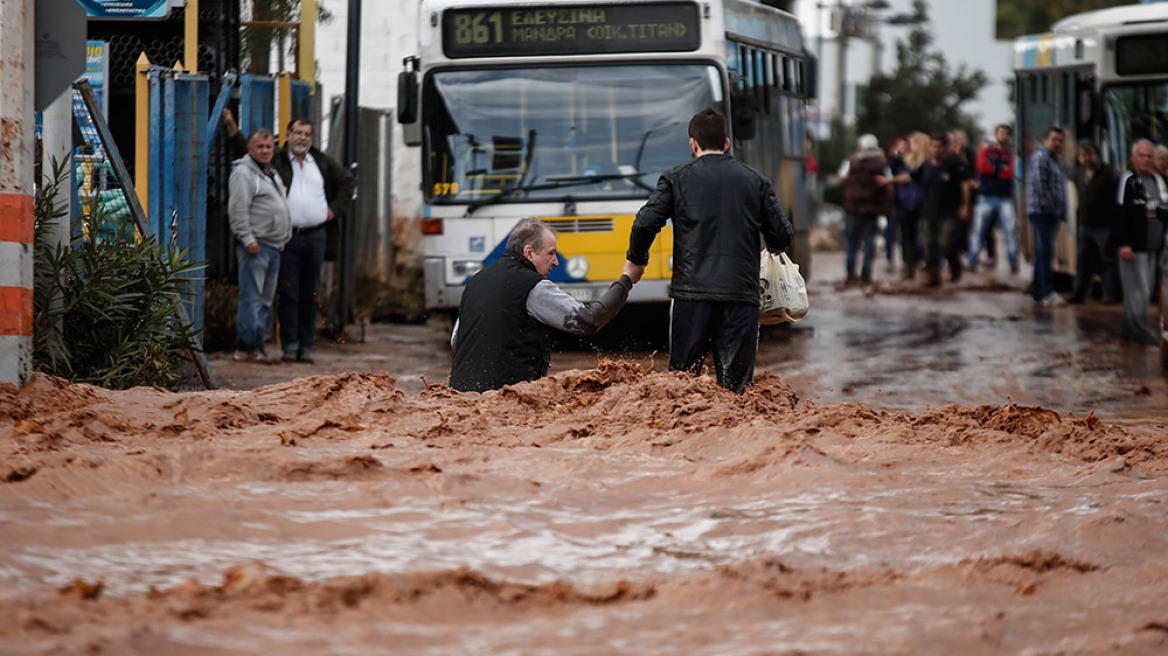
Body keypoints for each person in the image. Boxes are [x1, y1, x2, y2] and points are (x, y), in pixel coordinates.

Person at [625, 108, 794, 394]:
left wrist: (637, 260)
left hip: (692, 298)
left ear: (693, 144)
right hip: (741, 297)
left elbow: (644, 223)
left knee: (682, 387)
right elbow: (782, 235)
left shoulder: (675, 179)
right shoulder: (756, 181)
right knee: (737, 390)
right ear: (726, 144)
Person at [449, 220, 641, 393]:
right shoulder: (533, 286)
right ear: (529, 252)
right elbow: (588, 320)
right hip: (507, 398)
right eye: (551, 253)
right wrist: (626, 281)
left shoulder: (475, 282)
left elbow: (456, 341)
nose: (556, 262)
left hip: (459, 396)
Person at [273, 118, 356, 364]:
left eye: (307, 134)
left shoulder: (320, 162)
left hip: (316, 236)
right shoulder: (277, 161)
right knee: (288, 292)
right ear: (288, 134)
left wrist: (333, 211)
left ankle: (305, 346)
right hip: (288, 236)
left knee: (310, 293)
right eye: (298, 133)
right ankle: (289, 345)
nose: (302, 138)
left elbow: (347, 182)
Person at [228, 129, 292, 362]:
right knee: (252, 298)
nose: (265, 151)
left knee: (265, 301)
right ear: (250, 149)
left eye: (268, 147)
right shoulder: (244, 173)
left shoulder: (270, 172)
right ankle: (246, 347)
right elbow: (238, 208)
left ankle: (258, 345)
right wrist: (247, 238)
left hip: (274, 246)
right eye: (260, 147)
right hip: (256, 246)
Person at [898, 132, 970, 287]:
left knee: (945, 243)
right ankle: (933, 275)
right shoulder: (926, 165)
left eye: (939, 146)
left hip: (949, 211)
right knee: (927, 244)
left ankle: (955, 267)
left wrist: (965, 206)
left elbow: (965, 184)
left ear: (945, 148)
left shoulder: (955, 164)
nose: (936, 149)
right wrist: (889, 180)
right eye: (933, 146)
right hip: (928, 211)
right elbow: (911, 176)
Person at [1115, 139, 1167, 344]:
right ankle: (1139, 331)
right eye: (1142, 156)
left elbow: (1161, 208)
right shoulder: (1127, 180)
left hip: (1153, 245)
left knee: (1142, 289)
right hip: (1133, 247)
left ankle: (1128, 330)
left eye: (1149, 156)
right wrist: (1123, 243)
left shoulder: (1157, 181)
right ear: (1133, 158)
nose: (1146, 160)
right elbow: (1118, 214)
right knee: (1139, 291)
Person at [1069, 140, 1120, 304]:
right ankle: (1079, 294)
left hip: (1104, 225)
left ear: (1096, 155)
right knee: (1082, 261)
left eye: (1089, 154)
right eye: (1082, 155)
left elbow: (1116, 199)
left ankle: (1108, 294)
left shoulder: (1109, 173)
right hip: (1085, 225)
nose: (1086, 158)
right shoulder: (1078, 174)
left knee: (1107, 260)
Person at [837, 134, 890, 287]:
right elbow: (889, 184)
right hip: (873, 208)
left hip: (853, 208)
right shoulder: (882, 163)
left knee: (852, 242)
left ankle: (850, 274)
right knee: (869, 241)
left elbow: (841, 179)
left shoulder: (851, 161)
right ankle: (866, 275)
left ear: (861, 146)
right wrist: (889, 206)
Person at [1025, 126, 1068, 306]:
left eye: (1060, 140)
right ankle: (1044, 291)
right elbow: (1040, 187)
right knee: (1044, 252)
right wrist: (1050, 209)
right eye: (1054, 139)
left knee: (1044, 251)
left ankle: (1039, 290)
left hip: (1051, 213)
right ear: (1045, 141)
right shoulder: (1041, 158)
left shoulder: (1055, 159)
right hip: (1042, 213)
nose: (1057, 143)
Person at [970, 124, 1019, 274]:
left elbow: (1010, 172)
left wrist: (994, 169)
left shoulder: (1010, 154)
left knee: (1010, 231)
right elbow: (982, 167)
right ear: (996, 135)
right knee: (978, 231)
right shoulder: (986, 151)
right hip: (986, 196)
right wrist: (999, 169)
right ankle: (972, 261)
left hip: (1005, 197)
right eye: (1001, 133)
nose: (1003, 136)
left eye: (1006, 134)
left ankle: (1013, 263)